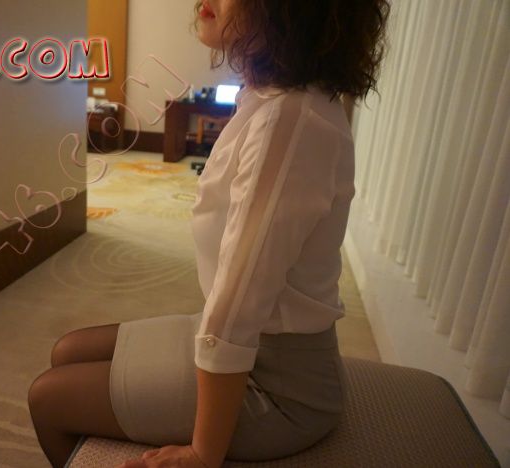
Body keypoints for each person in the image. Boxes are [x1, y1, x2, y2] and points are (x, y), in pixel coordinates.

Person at [27, 0, 390, 466]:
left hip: (279, 387)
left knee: (48, 398)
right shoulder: (271, 100)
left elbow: (238, 309)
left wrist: (203, 453)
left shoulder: (291, 122)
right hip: (244, 343)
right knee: (68, 350)